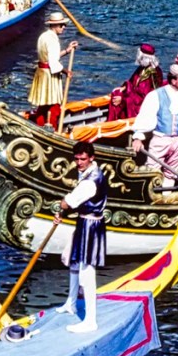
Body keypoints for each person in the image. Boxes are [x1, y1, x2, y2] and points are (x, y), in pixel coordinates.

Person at [54, 141, 107, 333]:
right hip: (84, 221)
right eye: (76, 159)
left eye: (82, 159)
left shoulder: (90, 182)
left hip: (91, 226)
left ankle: (90, 321)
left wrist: (62, 208)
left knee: (87, 271)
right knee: (74, 262)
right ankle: (71, 303)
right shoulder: (89, 171)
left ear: (91, 158)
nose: (79, 163)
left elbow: (69, 202)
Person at [131, 64, 178, 191]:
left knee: (171, 173)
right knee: (152, 171)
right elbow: (145, 117)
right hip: (160, 140)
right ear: (173, 80)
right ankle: (151, 197)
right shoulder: (156, 95)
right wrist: (138, 137)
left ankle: (166, 196)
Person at [27, 12, 78, 127]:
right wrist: (66, 72)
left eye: (64, 25)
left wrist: (67, 50)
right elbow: (53, 63)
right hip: (49, 75)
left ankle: (40, 125)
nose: (63, 27)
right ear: (54, 25)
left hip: (41, 73)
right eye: (61, 25)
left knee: (43, 104)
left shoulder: (43, 36)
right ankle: (52, 128)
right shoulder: (53, 40)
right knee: (54, 106)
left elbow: (49, 57)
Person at [120, 43, 164, 119]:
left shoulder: (154, 72)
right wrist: (124, 88)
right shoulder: (141, 68)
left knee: (125, 100)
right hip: (136, 96)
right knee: (116, 93)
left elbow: (144, 94)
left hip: (144, 103)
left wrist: (123, 98)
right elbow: (131, 82)